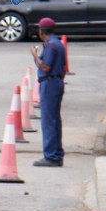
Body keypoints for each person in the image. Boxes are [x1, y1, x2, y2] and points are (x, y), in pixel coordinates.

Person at [31, 17, 66, 167]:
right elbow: (63, 68)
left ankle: (51, 156)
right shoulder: (58, 44)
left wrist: (34, 55)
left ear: (41, 31)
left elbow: (45, 67)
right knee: (55, 120)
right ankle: (57, 154)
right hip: (57, 81)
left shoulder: (50, 46)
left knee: (48, 121)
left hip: (49, 83)